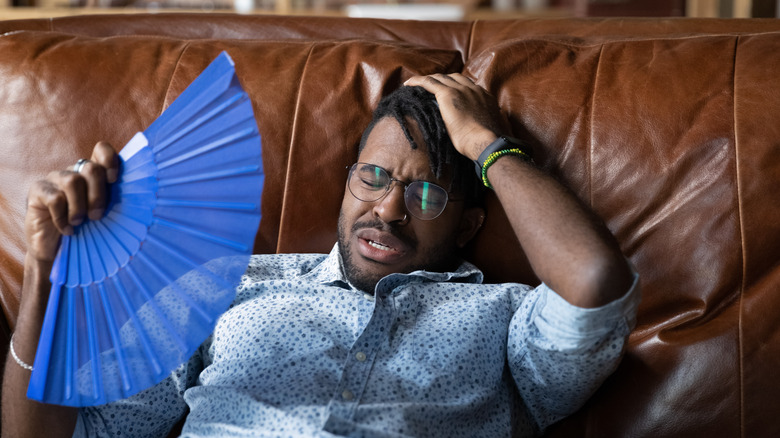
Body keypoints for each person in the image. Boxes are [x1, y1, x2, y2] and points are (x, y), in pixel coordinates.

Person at [2, 73, 639, 438]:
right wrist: (48, 277)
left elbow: (594, 278)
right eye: (372, 178)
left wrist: (486, 145)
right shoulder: (229, 288)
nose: (389, 210)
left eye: (426, 193)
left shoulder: (503, 318)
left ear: (471, 223)